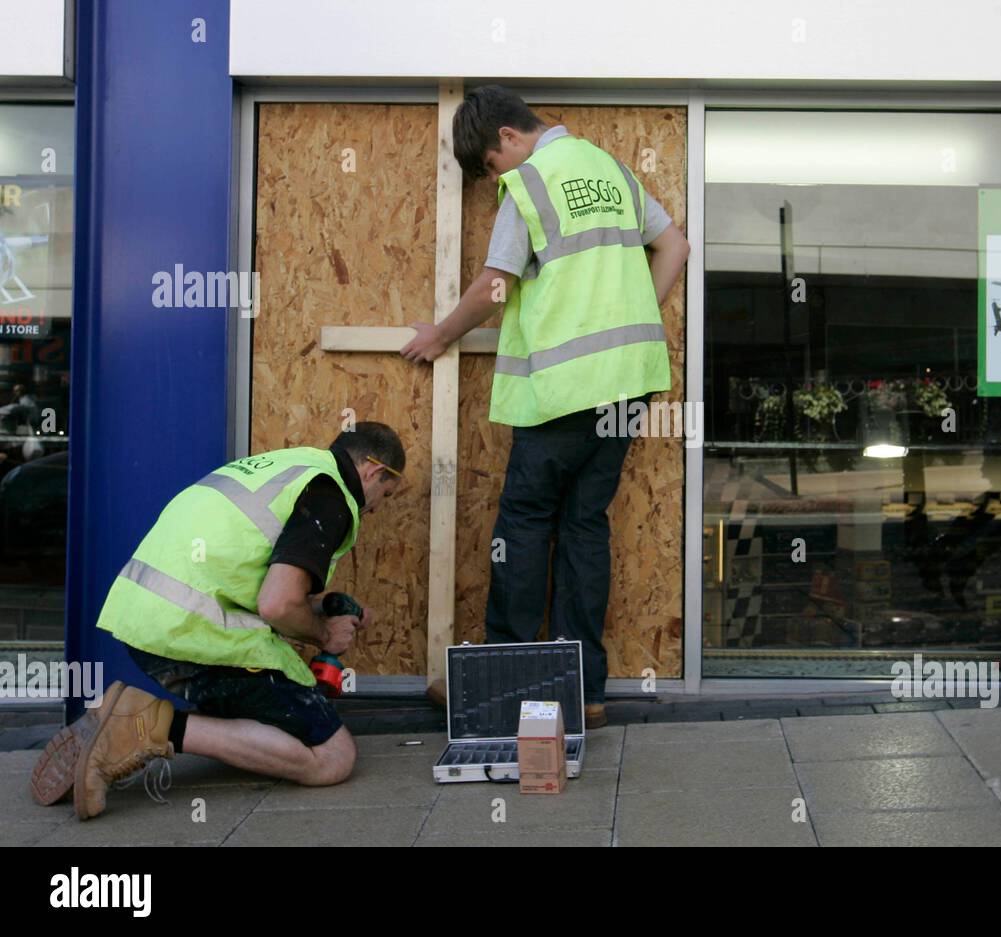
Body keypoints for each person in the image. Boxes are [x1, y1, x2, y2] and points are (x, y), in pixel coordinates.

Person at [400, 85, 690, 728]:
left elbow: (494, 286)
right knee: (585, 526)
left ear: (507, 137)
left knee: (525, 525)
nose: (496, 179)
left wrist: (440, 335)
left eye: (491, 168)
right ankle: (584, 691)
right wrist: (638, 312)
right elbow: (676, 247)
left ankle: (504, 676)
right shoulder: (610, 168)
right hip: (628, 381)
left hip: (564, 389)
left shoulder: (530, 183)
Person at [29, 422, 405, 819]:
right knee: (332, 756)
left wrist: (320, 611)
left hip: (146, 620)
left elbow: (259, 591)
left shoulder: (290, 466)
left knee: (274, 722)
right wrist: (325, 635)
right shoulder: (332, 496)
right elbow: (278, 605)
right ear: (373, 471)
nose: (378, 507)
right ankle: (143, 725)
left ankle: (125, 723)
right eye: (386, 493)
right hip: (191, 635)